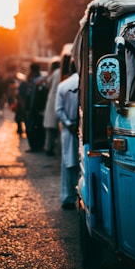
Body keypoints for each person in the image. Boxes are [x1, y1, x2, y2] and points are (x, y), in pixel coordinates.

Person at [55, 60, 79, 210]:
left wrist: (69, 124)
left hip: (69, 130)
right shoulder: (86, 83)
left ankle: (68, 198)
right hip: (84, 129)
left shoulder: (63, 85)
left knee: (69, 164)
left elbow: (58, 110)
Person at [25, 63, 47, 152]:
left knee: (33, 128)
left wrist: (31, 109)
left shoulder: (36, 81)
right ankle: (39, 145)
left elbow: (34, 97)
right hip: (40, 109)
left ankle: (35, 146)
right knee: (40, 128)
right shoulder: (41, 79)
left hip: (35, 109)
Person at [43, 57, 61, 156]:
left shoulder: (54, 73)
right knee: (55, 127)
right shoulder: (59, 72)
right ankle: (52, 148)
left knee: (50, 127)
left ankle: (49, 147)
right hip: (55, 99)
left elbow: (48, 85)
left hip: (52, 100)